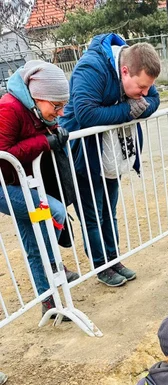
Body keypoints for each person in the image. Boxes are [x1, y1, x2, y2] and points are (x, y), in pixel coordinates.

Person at [61, 35, 161, 288]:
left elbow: (154, 101)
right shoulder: (91, 68)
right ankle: (101, 266)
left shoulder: (138, 66)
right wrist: (127, 111)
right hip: (82, 155)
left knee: (109, 211)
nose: (145, 93)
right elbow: (86, 113)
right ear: (124, 71)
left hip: (111, 155)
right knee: (92, 215)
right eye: (140, 87)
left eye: (147, 87)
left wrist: (137, 102)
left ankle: (114, 259)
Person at [0, 60, 79, 316]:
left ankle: (48, 301)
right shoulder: (9, 108)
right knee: (54, 212)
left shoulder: (35, 110)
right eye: (56, 106)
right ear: (37, 96)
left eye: (63, 106)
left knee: (34, 240)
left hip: (21, 183)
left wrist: (56, 131)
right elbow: (4, 154)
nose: (60, 111)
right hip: (4, 188)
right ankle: (53, 266)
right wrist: (44, 142)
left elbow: (43, 132)